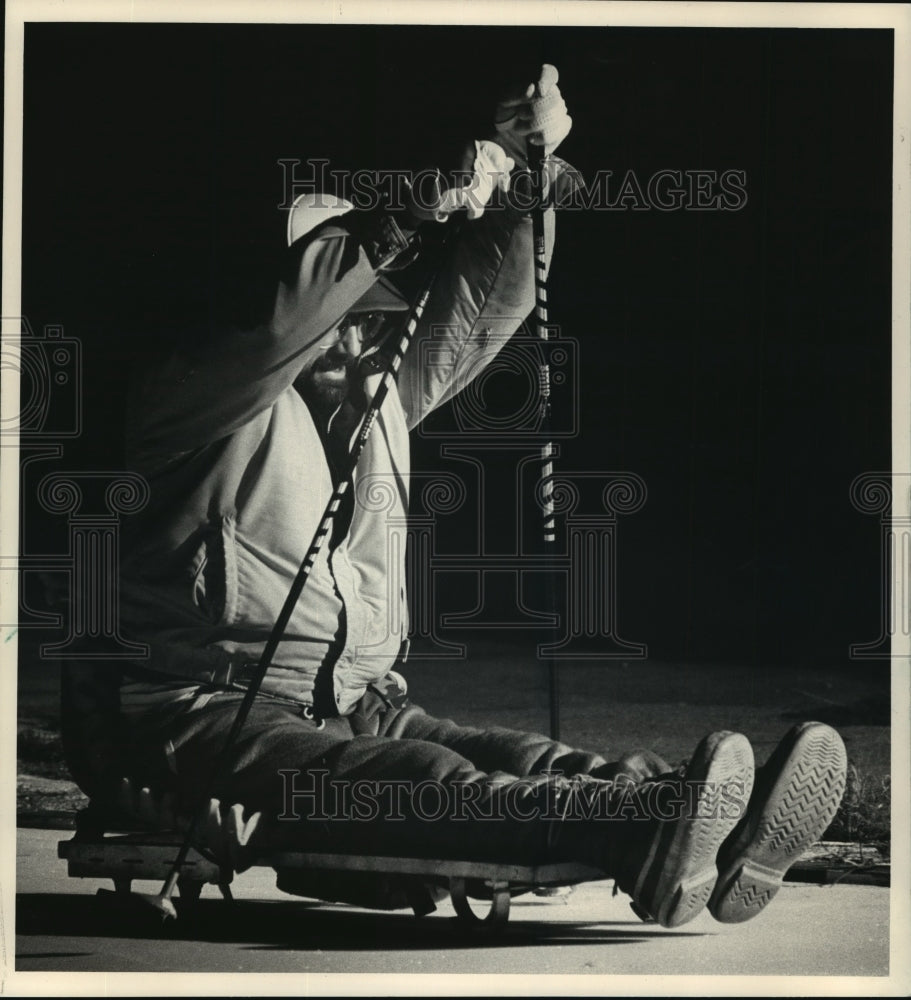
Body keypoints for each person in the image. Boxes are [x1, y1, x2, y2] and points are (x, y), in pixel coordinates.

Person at [71, 64, 847, 929]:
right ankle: (639, 832)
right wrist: (404, 212)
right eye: (352, 295)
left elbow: (480, 310)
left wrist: (522, 183)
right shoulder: (189, 391)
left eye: (375, 306)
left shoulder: (374, 395)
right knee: (429, 786)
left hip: (354, 700)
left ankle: (696, 818)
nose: (369, 321)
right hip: (193, 715)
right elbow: (276, 323)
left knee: (507, 754)